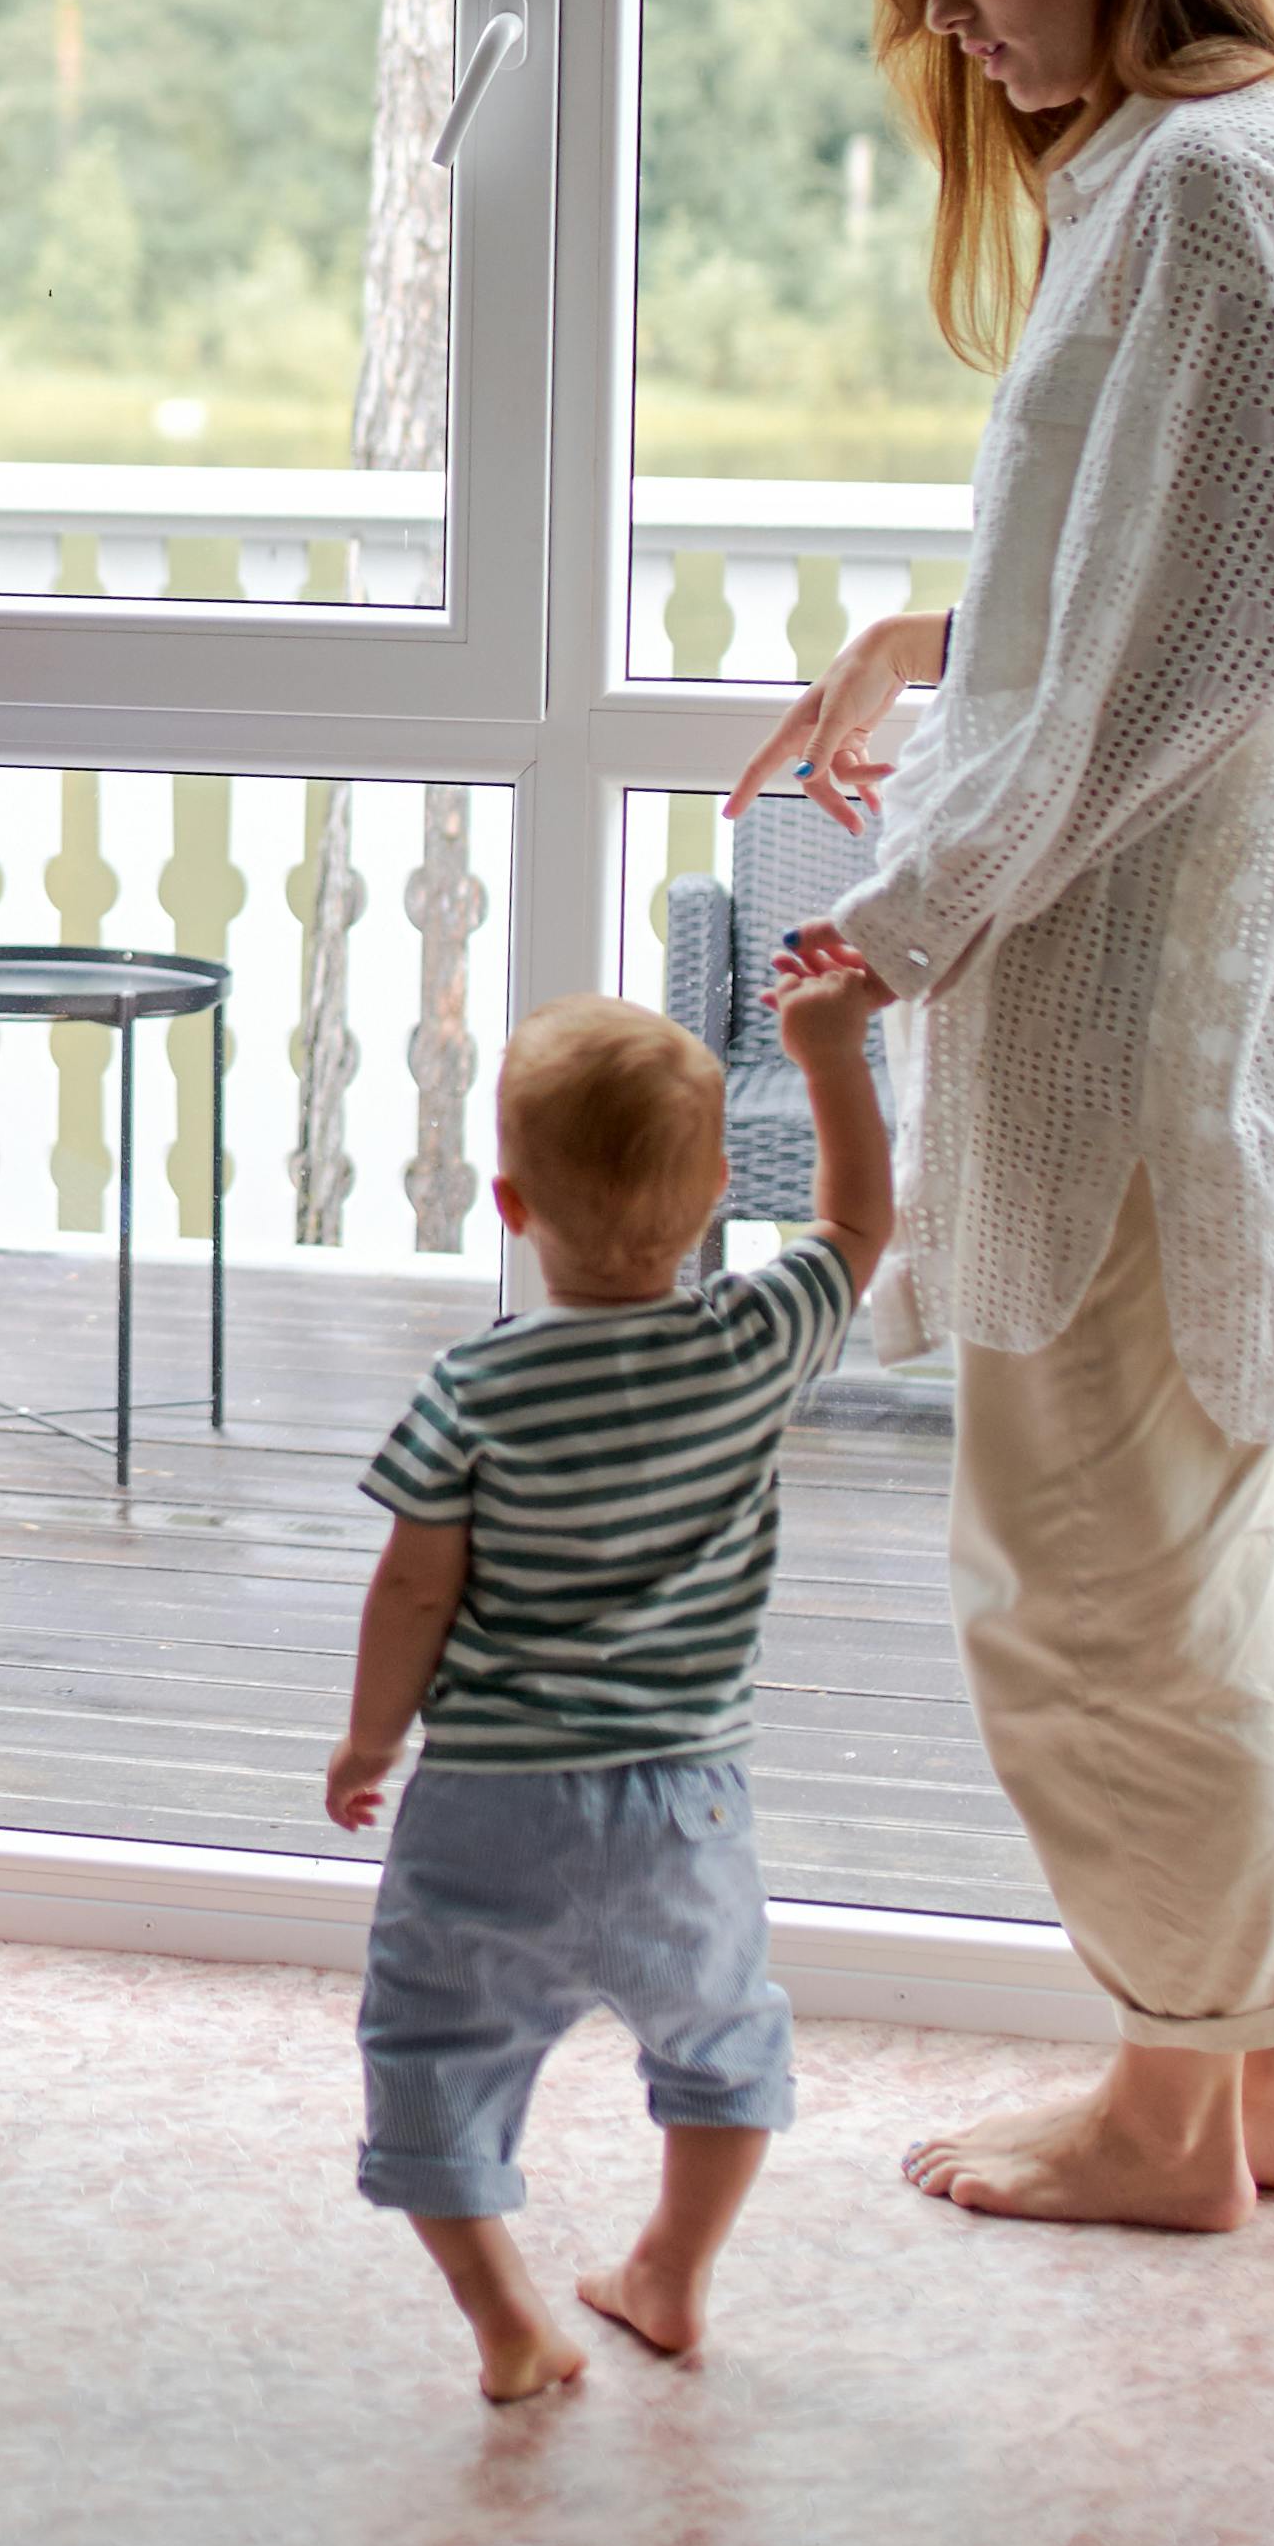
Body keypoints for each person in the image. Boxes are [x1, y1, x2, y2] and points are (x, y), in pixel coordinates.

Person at [727, 0, 1274, 2232]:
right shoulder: (1199, 174)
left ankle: (1178, 2101)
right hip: (1191, 988)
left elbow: (1227, 633)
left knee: (1087, 1574)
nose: (952, 15)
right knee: (1195, 1550)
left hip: (1171, 1011)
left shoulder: (1215, 185)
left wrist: (895, 919)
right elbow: (1168, 573)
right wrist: (925, 637)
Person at [327, 975, 891, 2401]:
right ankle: (671, 2271)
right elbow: (857, 1227)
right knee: (720, 2045)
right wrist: (829, 1055)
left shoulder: (475, 1388)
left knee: (429, 2049)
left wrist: (368, 1736)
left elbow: (412, 1586)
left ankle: (510, 2321)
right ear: (711, 1195)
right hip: (682, 1809)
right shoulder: (749, 1349)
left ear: (508, 1204)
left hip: (488, 1806)